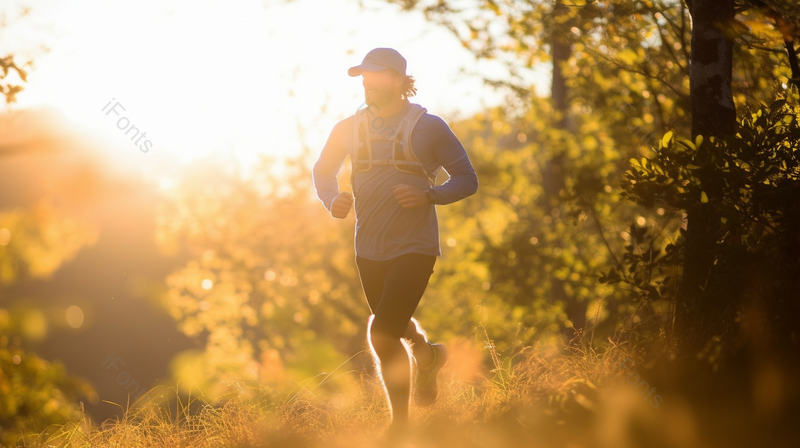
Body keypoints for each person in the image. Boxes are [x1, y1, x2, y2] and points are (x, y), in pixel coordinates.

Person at [311, 47, 478, 440]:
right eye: (363, 76)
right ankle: (427, 353)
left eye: (376, 75)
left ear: (400, 81)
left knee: (381, 332)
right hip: (367, 247)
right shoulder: (348, 127)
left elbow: (467, 179)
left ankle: (399, 427)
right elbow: (322, 170)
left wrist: (428, 195)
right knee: (393, 325)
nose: (367, 82)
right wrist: (330, 198)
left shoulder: (429, 127)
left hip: (415, 246)